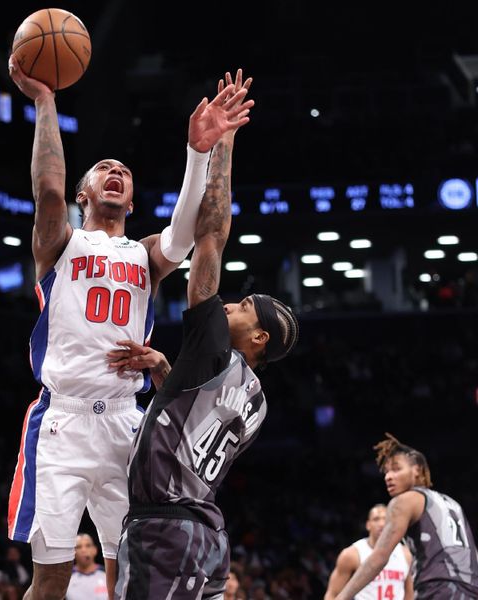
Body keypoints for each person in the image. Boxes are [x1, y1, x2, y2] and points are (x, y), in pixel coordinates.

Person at [6, 53, 253, 600]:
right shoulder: (62, 243)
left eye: (124, 170)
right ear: (83, 194)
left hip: (125, 423)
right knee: (52, 574)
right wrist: (46, 103)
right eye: (103, 169)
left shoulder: (142, 254)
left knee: (131, 568)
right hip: (62, 422)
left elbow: (187, 235)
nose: (115, 171)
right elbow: (47, 192)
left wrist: (199, 152)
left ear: (132, 199)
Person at [107, 71, 300, 600]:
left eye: (241, 307)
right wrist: (165, 369)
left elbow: (211, 236)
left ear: (257, 337)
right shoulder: (256, 401)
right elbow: (195, 424)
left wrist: (224, 144)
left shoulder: (215, 349)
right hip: (205, 535)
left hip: (164, 531)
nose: (230, 304)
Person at [334, 434, 478, 600]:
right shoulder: (452, 503)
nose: (388, 476)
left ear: (416, 469)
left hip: (439, 590)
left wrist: (341, 597)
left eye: (396, 469)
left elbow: (379, 557)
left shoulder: (404, 500)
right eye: (386, 471)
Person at [324, 504, 413, 600]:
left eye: (386, 519)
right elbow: (332, 594)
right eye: (376, 519)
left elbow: (410, 593)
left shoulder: (406, 554)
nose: (381, 524)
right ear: (368, 525)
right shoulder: (352, 555)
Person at [66, 534, 107, 600]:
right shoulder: (65, 578)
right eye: (79, 547)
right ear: (73, 552)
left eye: (88, 546)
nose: (83, 550)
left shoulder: (107, 574)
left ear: (95, 550)